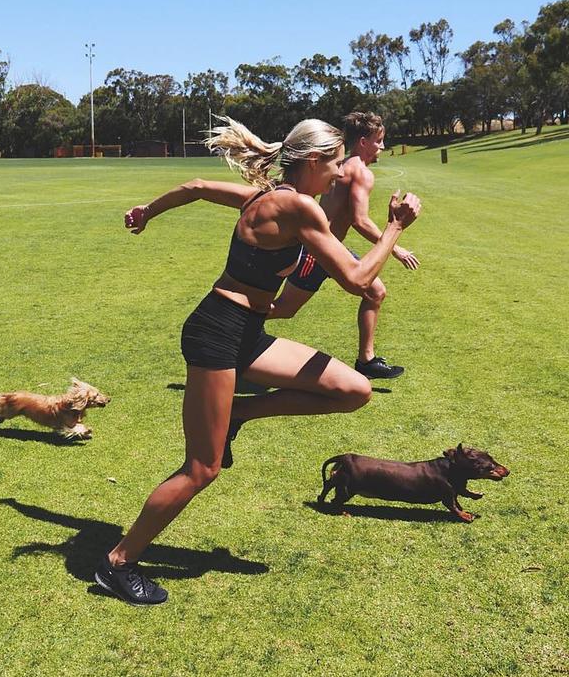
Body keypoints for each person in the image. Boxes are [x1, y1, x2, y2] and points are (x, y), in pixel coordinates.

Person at [94, 117, 421, 606]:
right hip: (217, 335)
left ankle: (238, 415)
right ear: (312, 162)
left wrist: (149, 211)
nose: (338, 173)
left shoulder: (267, 195)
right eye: (334, 164)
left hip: (247, 333)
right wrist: (395, 226)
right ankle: (117, 563)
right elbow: (356, 278)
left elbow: (196, 187)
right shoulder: (296, 204)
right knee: (201, 469)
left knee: (353, 389)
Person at [268, 111, 419, 379]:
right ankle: (237, 323)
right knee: (285, 309)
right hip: (317, 251)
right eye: (379, 140)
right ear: (363, 141)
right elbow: (361, 221)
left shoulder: (344, 165)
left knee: (375, 292)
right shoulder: (360, 172)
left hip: (331, 248)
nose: (382, 147)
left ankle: (366, 360)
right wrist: (395, 248)